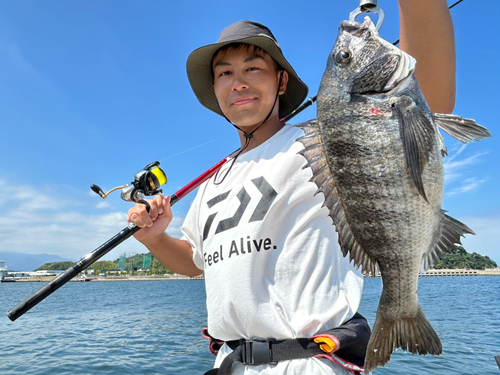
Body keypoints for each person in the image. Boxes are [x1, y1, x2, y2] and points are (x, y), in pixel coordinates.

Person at [127, 1, 456, 374]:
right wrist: (155, 239)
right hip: (229, 364)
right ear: (215, 89)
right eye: (225, 73)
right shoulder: (209, 186)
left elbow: (428, 103)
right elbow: (197, 263)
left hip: (308, 362)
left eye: (253, 68)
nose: (239, 82)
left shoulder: (323, 143)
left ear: (282, 81)